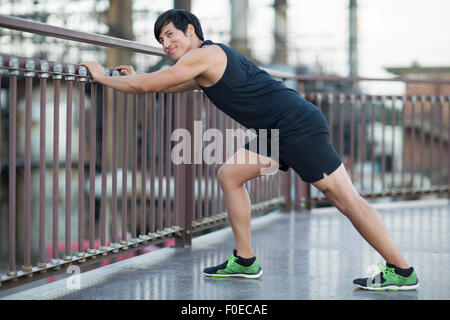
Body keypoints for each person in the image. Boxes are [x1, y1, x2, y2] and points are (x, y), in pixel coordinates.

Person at [81, 9, 419, 291]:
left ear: (191, 30)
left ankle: (401, 271)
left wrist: (102, 76)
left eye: (171, 35)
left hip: (295, 126)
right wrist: (133, 77)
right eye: (161, 40)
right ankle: (244, 260)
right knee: (229, 174)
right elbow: (165, 84)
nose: (166, 44)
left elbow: (147, 86)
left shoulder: (204, 54)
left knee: (346, 200)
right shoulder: (205, 62)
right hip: (277, 130)